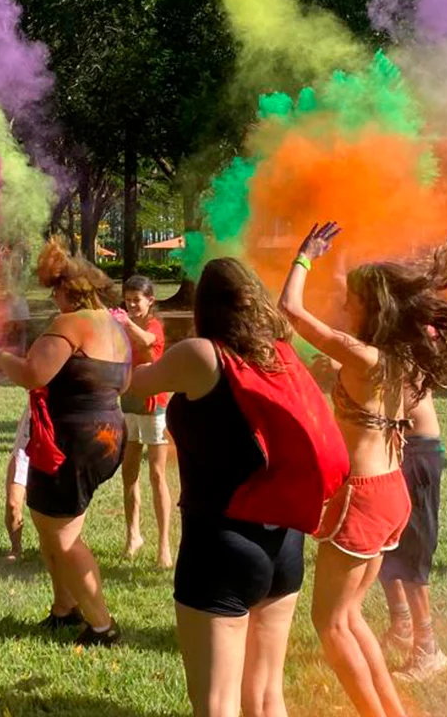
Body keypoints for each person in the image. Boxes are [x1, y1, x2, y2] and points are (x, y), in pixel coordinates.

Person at [280, 224, 447, 717]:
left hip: (363, 497)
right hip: (391, 493)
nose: (344, 308)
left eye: (351, 301)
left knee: (330, 623)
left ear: (370, 308)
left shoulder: (364, 356)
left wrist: (303, 258)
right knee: (351, 616)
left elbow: (291, 311)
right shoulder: (398, 357)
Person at [128, 257, 348, 717]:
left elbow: (131, 390)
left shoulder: (201, 355)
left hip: (220, 545)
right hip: (285, 543)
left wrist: (114, 336)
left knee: (216, 705)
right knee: (268, 700)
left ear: (203, 306)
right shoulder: (279, 355)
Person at [0, 240, 130, 647]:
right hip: (107, 435)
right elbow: (124, 382)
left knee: (64, 535)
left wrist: (1, 358)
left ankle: (102, 626)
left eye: (55, 290)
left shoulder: (71, 323)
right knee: (48, 520)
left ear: (68, 289)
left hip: (73, 440)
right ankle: (63, 608)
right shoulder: (115, 327)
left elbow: (34, 373)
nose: (52, 298)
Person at [379, 389, 447, 682]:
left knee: (411, 552)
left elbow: (392, 391)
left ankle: (428, 650)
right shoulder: (382, 346)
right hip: (391, 449)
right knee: (383, 544)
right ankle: (402, 626)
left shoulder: (402, 346)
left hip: (415, 450)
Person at [113, 275, 171, 567]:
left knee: (157, 475)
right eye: (128, 299)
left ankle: (164, 546)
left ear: (150, 301)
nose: (132, 304)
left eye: (137, 299)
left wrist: (125, 323)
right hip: (130, 403)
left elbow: (148, 340)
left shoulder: (153, 326)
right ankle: (133, 535)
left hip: (154, 406)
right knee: (129, 473)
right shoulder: (124, 328)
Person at [3, 292, 33, 559]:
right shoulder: (34, 373)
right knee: (14, 504)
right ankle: (16, 549)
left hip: (56, 449)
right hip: (26, 446)